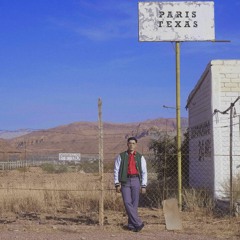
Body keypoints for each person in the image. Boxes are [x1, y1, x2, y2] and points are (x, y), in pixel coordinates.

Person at [114, 137, 147, 232]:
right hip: (125, 181)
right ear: (127, 144)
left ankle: (132, 225)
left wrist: (143, 185)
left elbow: (144, 172)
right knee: (127, 202)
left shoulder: (140, 157)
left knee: (134, 204)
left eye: (133, 143)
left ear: (136, 145)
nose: (131, 145)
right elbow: (116, 170)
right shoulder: (121, 156)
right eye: (130, 143)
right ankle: (138, 223)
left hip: (136, 180)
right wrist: (117, 183)